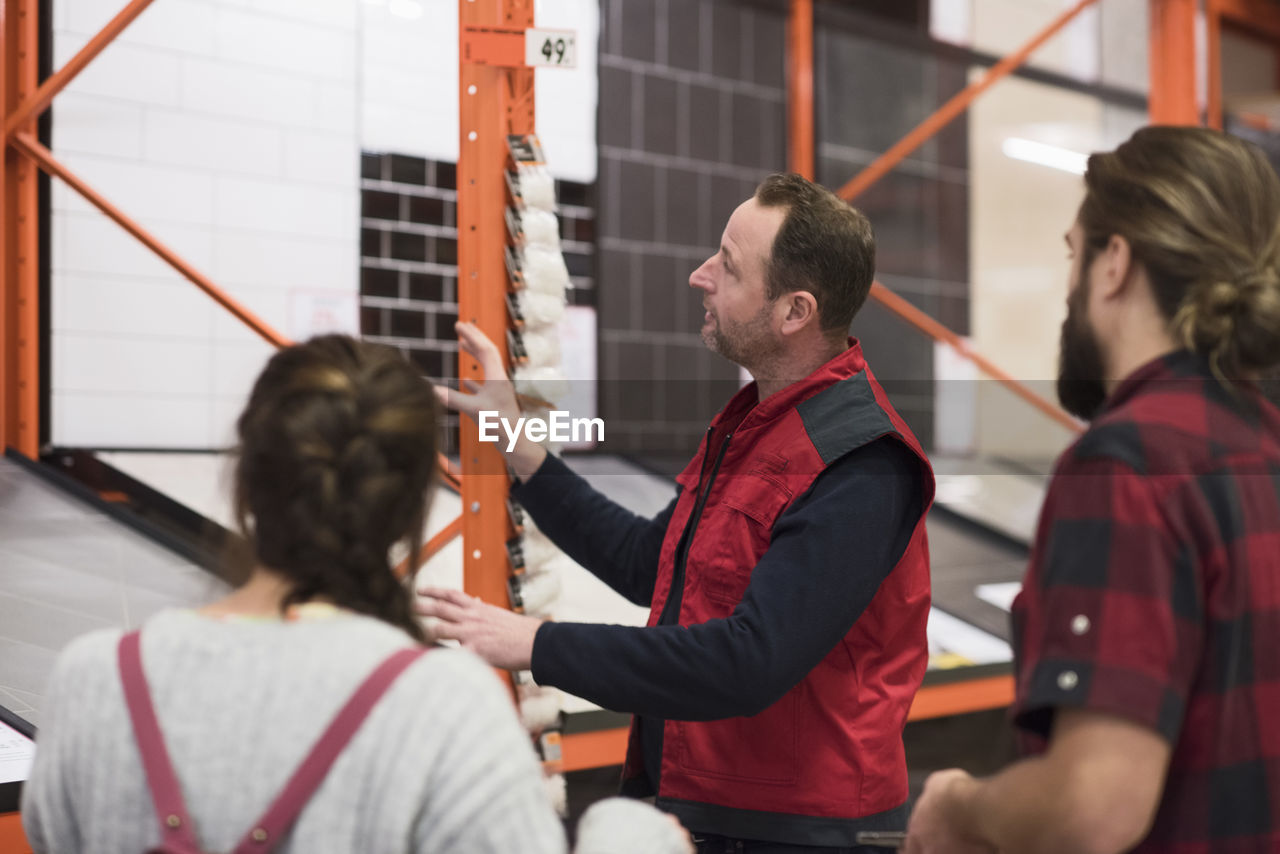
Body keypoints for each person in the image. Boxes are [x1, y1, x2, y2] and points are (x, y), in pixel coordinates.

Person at [419, 173, 936, 851]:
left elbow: (748, 661)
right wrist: (518, 445)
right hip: (702, 808)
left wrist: (535, 644)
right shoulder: (755, 424)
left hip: (798, 833)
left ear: (794, 311)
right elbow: (651, 563)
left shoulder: (861, 464)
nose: (700, 276)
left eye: (727, 264)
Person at [21, 335, 691, 854]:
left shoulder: (93, 680)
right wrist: (636, 830)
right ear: (407, 515)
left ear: (246, 484)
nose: (703, 275)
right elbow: (651, 564)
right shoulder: (443, 710)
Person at [904, 126, 1280, 854]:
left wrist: (957, 807)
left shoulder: (1126, 465)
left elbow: (1093, 803)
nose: (1068, 289)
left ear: (1115, 266)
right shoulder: (1265, 441)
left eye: (1074, 255)